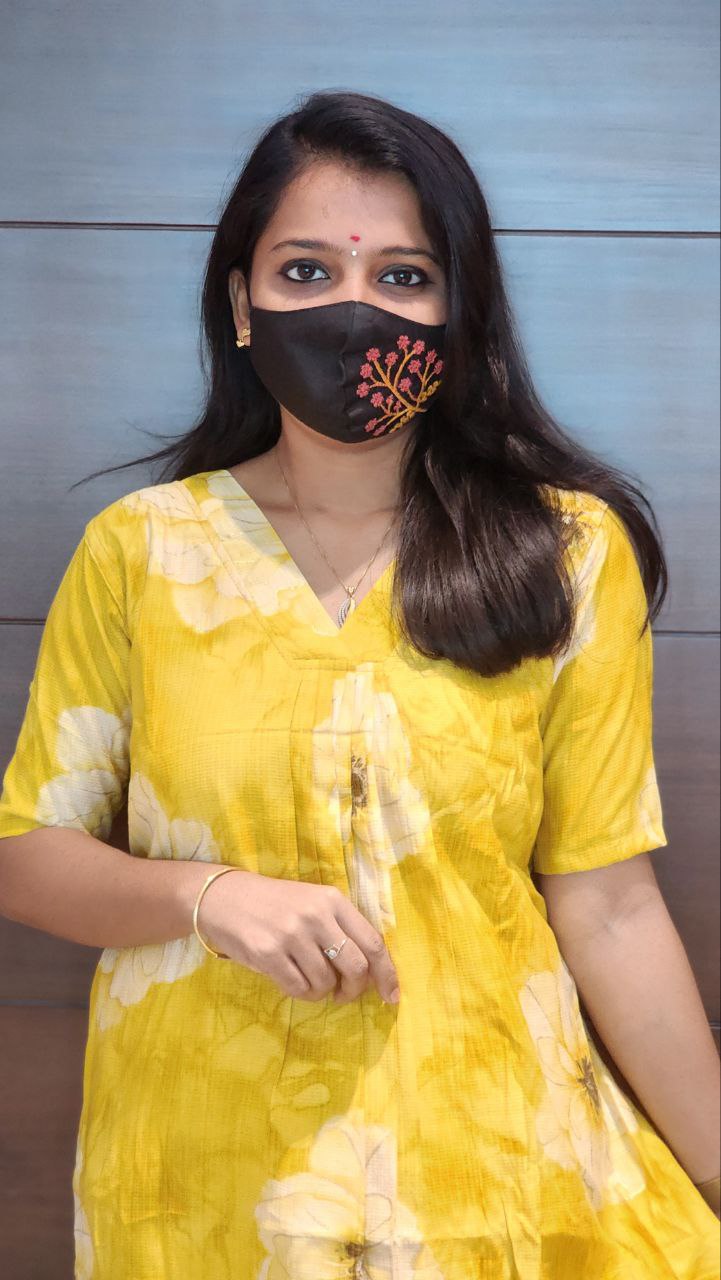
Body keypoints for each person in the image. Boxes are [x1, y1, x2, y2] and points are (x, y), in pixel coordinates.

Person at [0, 88, 718, 1279]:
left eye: (401, 276)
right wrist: (208, 895)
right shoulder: (143, 552)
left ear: (457, 308)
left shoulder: (565, 551)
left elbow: (610, 906)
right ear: (242, 303)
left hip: (492, 1182)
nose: (353, 309)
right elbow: (27, 853)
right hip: (202, 1190)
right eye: (305, 271)